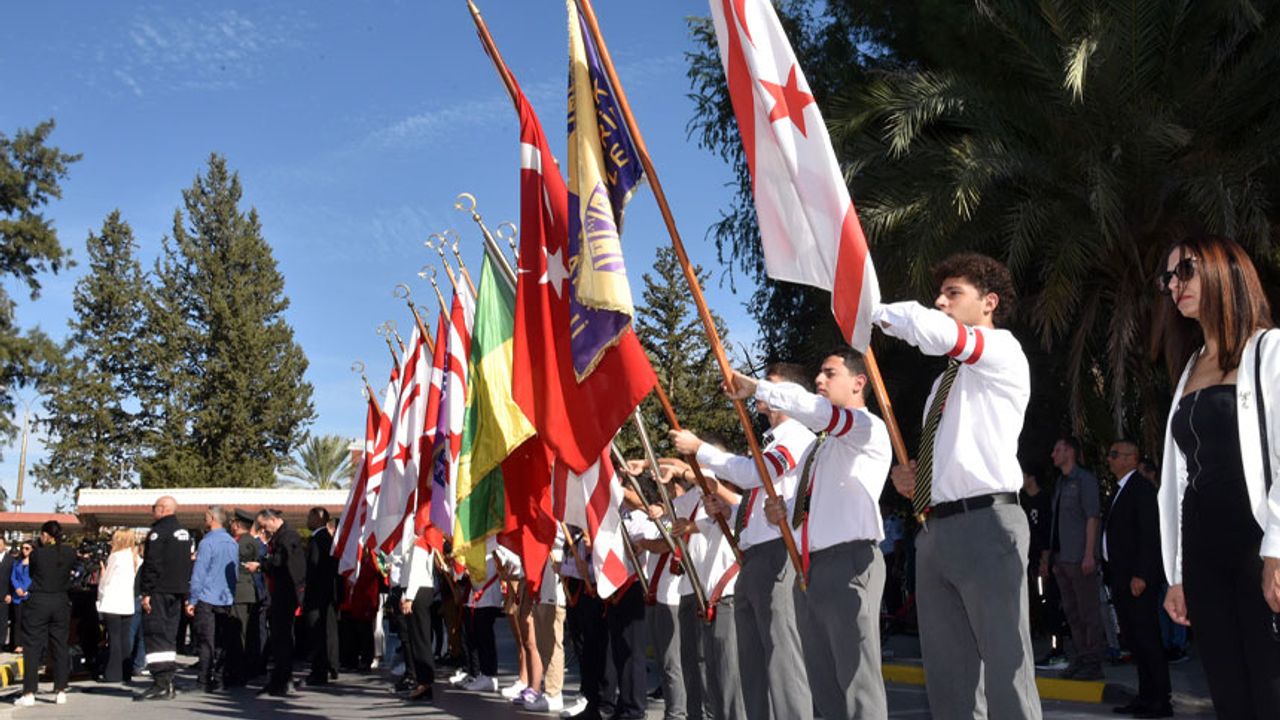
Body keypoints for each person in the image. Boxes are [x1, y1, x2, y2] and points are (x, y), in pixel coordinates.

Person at [878, 252, 1042, 719]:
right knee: (949, 681)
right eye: (940, 294)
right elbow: (953, 455)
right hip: (935, 531)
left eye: (953, 293)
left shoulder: (1003, 349)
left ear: (989, 302)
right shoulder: (941, 387)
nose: (940, 302)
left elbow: (937, 332)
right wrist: (917, 483)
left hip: (988, 525)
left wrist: (872, 310)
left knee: (1007, 669)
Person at [1154, 234, 1280, 717]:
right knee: (1229, 694)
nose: (1173, 284)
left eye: (1185, 270)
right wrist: (1179, 575)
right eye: (1168, 277)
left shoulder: (1267, 350)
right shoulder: (1189, 367)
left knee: (1270, 690)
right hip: (1205, 556)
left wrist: (1275, 552)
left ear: (1225, 272)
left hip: (1258, 547)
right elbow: (1184, 479)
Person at [749, 348, 893, 720]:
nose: (820, 380)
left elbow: (819, 412)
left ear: (859, 383)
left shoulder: (866, 428)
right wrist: (782, 515)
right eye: (819, 374)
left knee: (857, 683)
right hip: (810, 569)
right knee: (823, 684)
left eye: (830, 373)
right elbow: (812, 510)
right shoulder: (821, 447)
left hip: (850, 561)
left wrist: (757, 388)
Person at [670, 362, 817, 720]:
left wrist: (700, 449)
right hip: (754, 557)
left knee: (782, 664)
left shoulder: (796, 435)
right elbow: (755, 506)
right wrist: (728, 510)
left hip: (777, 557)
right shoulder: (771, 441)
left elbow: (756, 475)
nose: (760, 396)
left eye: (770, 388)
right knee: (753, 667)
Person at [1101, 440, 1172, 717]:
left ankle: (1160, 700)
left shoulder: (1141, 489)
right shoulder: (1120, 490)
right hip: (1120, 577)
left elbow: (1149, 534)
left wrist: (1142, 573)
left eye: (1114, 454)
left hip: (1136, 579)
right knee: (1134, 639)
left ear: (1131, 459)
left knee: (1147, 638)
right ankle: (1145, 696)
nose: (1109, 459)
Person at [1048, 436, 1105, 680]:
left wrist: (1089, 555)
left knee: (1087, 611)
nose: (1053, 454)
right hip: (1062, 558)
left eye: (1057, 449)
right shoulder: (1060, 483)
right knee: (1071, 612)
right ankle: (1081, 658)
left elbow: (1092, 517)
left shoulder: (1085, 480)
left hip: (1080, 558)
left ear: (1069, 452)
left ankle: (1093, 662)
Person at [134, 496, 193, 702]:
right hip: (177, 591)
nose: (152, 512)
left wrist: (146, 592)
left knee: (155, 634)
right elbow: (186, 565)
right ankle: (168, 680)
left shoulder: (158, 533)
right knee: (168, 636)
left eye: (153, 508)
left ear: (161, 509)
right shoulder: (185, 533)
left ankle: (160, 682)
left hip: (159, 591)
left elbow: (153, 564)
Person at [11, 521, 76, 708]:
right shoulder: (70, 552)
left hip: (38, 601)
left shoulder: (37, 554)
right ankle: (61, 689)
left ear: (46, 535)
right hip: (61, 601)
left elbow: (33, 573)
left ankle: (29, 692)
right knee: (60, 645)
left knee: (32, 646)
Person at [254, 508, 305, 697]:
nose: (263, 529)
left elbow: (282, 562)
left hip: (286, 593)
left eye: (264, 525)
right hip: (280, 592)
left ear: (273, 520)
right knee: (278, 637)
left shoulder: (288, 537)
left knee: (282, 637)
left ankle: (282, 679)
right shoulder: (281, 536)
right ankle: (279, 677)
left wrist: (261, 564)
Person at [188, 506, 238, 693]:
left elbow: (199, 573)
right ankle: (219, 678)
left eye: (206, 516)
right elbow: (233, 573)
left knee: (206, 641)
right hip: (225, 597)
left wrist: (192, 599)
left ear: (212, 519)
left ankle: (203, 680)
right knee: (221, 640)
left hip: (207, 597)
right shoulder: (232, 543)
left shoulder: (207, 543)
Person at [303, 507, 340, 687]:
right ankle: (326, 667)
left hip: (317, 595)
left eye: (310, 517)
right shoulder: (326, 539)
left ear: (318, 518)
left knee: (317, 634)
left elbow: (314, 567)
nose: (307, 521)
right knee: (325, 631)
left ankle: (318, 672)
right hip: (325, 595)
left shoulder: (319, 539)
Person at [97, 529, 139, 683]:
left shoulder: (115, 556)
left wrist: (102, 574)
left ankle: (112, 674)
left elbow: (105, 581)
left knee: (113, 639)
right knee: (124, 639)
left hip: (113, 602)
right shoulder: (134, 557)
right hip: (127, 602)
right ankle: (125, 671)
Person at [228, 509, 260, 686]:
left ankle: (240, 672)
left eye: (233, 522)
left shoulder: (245, 543)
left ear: (238, 524)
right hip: (242, 591)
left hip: (242, 592)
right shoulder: (244, 541)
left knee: (241, 633)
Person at [10, 541, 31, 655]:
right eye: (23, 548)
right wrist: (17, 588)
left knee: (28, 621)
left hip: (29, 596)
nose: (24, 550)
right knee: (17, 621)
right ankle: (17, 644)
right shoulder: (17, 562)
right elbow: (13, 577)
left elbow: (35, 578)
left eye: (27, 548)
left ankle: (27, 643)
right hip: (17, 596)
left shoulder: (35, 563)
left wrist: (26, 590)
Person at [0, 539, 12, 651]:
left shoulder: (10, 560)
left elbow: (12, 579)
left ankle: (1, 645)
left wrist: (9, 593)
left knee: (2, 621)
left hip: (4, 595)